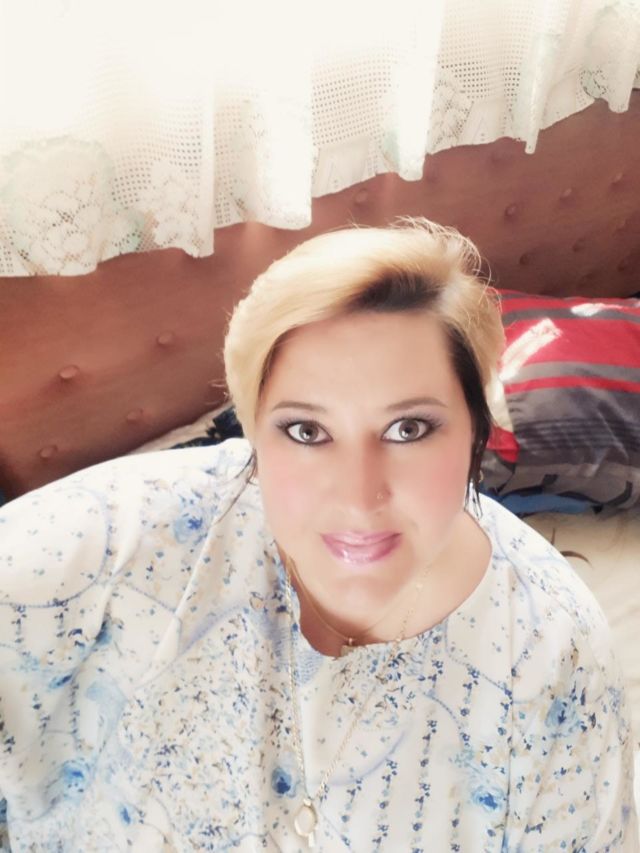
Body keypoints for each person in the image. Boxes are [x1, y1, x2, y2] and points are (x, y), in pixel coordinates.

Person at [0, 220, 636, 852]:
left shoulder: (550, 657)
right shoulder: (135, 532)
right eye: (306, 432)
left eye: (408, 429)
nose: (358, 498)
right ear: (254, 430)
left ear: (475, 428)